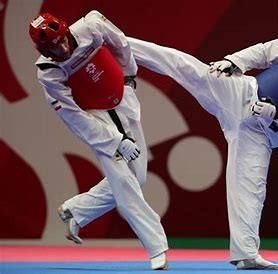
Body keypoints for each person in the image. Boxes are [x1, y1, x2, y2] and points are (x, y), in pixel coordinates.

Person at [126, 15, 278, 270]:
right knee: (183, 64)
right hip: (241, 92)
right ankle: (120, 43)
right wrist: (234, 62)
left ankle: (246, 255)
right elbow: (264, 52)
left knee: (251, 191)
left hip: (260, 131)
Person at [29, 11, 168, 270]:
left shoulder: (91, 26)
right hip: (95, 119)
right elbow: (74, 117)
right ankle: (157, 248)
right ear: (44, 51)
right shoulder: (48, 73)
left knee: (138, 177)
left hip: (122, 97)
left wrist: (128, 77)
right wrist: (115, 141)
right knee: (124, 183)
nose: (62, 48)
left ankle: (76, 210)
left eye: (62, 41)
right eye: (53, 47)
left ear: (67, 31)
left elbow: (121, 43)